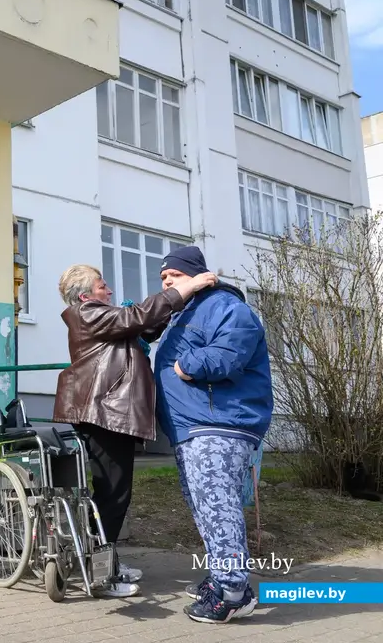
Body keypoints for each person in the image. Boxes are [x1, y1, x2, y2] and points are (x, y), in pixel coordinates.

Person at [52, 264, 219, 597]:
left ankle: (104, 562)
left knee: (110, 495)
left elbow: (144, 327)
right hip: (103, 413)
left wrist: (178, 303)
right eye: (103, 287)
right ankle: (99, 577)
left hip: (106, 412)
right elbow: (137, 318)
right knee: (112, 496)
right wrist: (183, 289)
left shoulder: (104, 319)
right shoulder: (87, 313)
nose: (109, 291)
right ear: (86, 296)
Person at [152, 246, 273, 623]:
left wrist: (185, 366)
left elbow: (230, 352)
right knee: (206, 508)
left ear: (196, 275)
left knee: (218, 507)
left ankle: (232, 592)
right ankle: (227, 581)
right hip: (191, 426)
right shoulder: (184, 313)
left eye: (173, 275)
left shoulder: (226, 305)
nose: (166, 281)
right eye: (162, 278)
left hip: (220, 424)